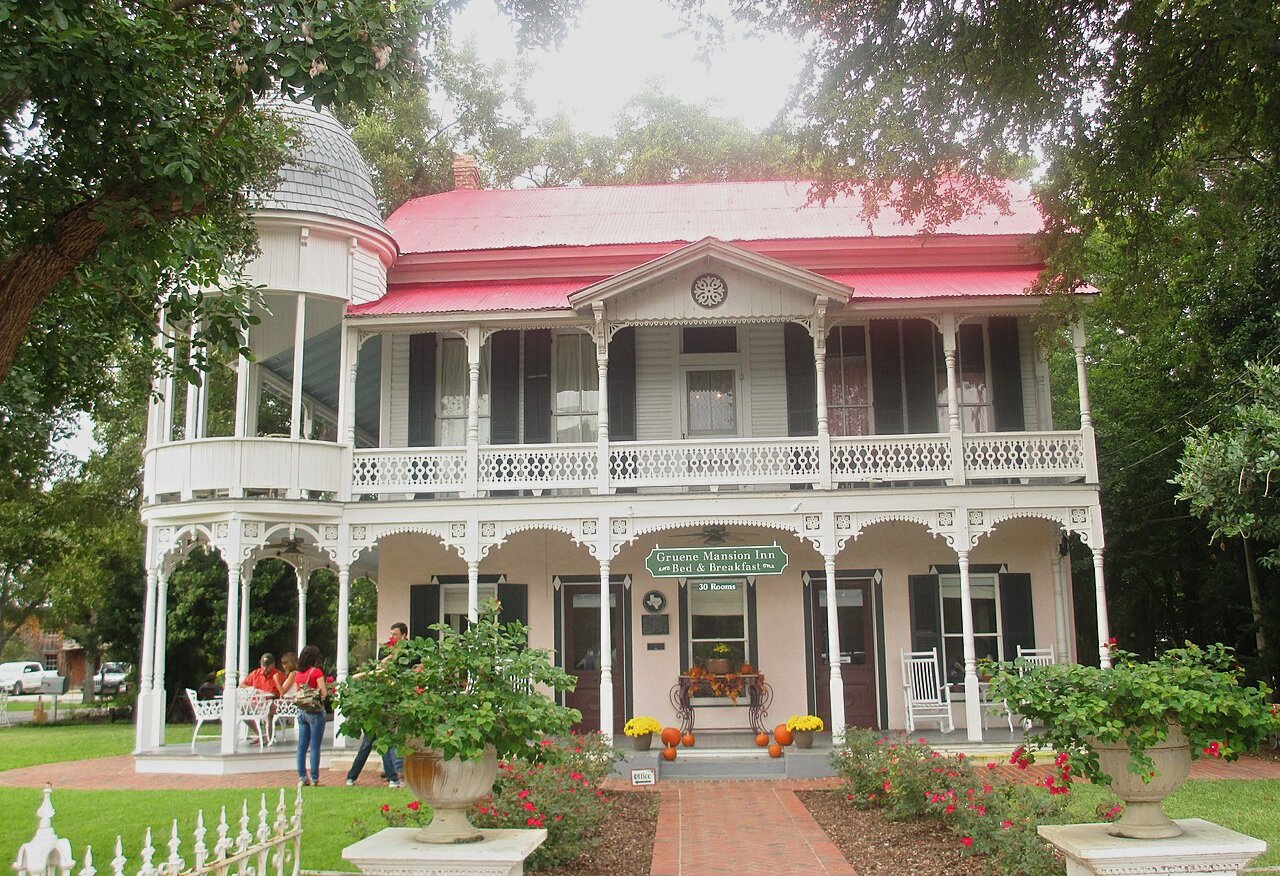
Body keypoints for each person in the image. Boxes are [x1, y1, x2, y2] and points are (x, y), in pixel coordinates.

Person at [346, 622, 407, 787]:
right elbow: (380, 667)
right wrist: (391, 657)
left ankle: (354, 776)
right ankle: (392, 777)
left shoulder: (409, 652)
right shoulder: (385, 650)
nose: (391, 637)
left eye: (394, 634)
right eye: (391, 634)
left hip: (395, 701)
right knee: (376, 742)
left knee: (380, 741)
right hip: (379, 702)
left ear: (403, 635)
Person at [281, 644, 328, 786]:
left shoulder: (298, 674)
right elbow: (323, 692)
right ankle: (314, 778)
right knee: (314, 746)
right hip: (315, 712)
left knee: (302, 746)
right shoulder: (316, 672)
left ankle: (302, 777)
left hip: (302, 711)